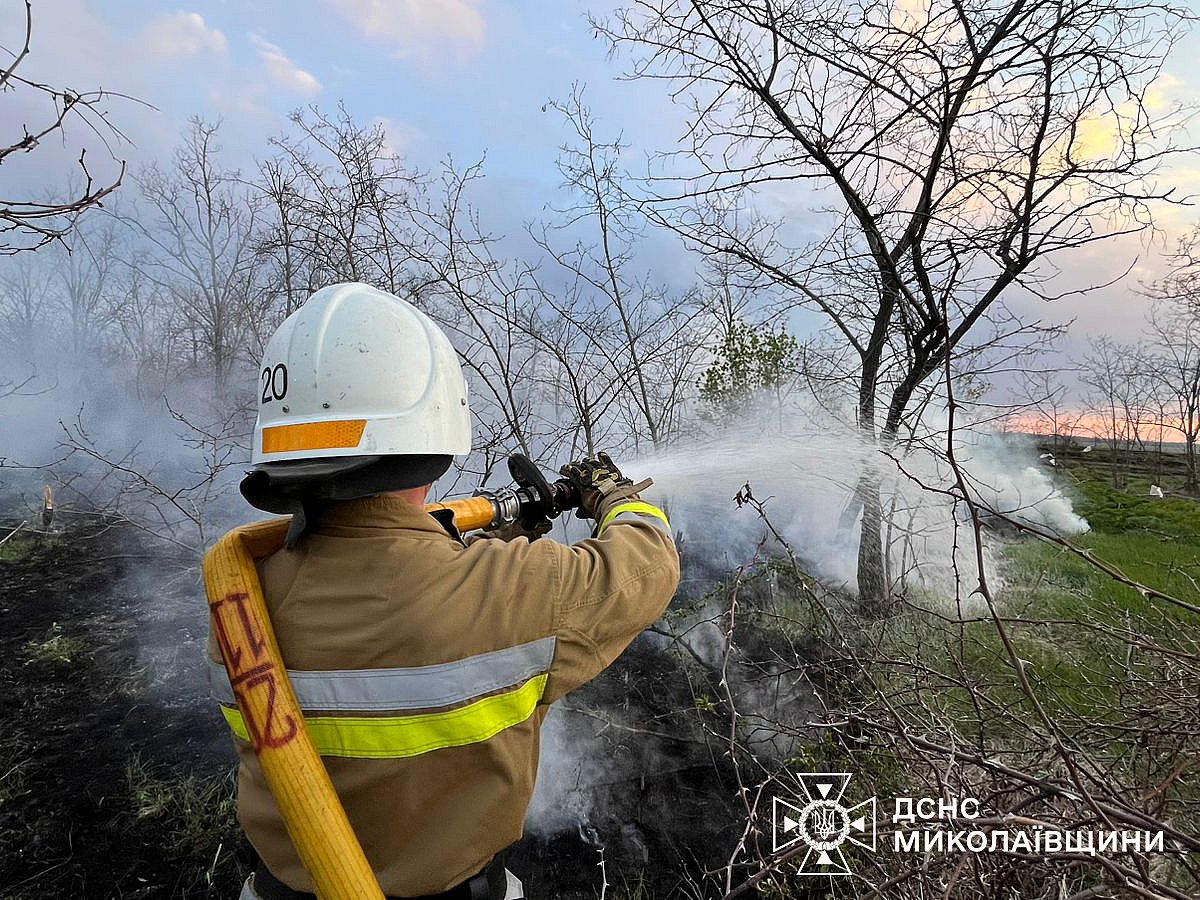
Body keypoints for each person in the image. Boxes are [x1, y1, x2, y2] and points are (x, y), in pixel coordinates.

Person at [208, 282, 680, 900]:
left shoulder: (238, 595)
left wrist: (494, 544)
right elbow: (647, 562)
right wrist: (615, 497)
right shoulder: (516, 593)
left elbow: (379, 583)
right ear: (432, 435)